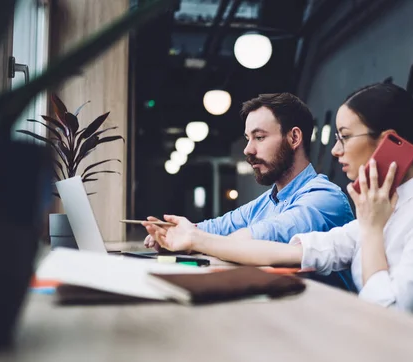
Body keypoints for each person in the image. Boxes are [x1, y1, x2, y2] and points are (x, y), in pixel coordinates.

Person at [144, 83, 413, 331]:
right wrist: (189, 238)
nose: (335, 150)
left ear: (387, 142)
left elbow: (388, 314)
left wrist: (373, 229)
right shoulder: (382, 207)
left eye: (345, 137)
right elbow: (287, 252)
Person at [145, 92, 356, 290]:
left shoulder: (325, 198)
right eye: (248, 138)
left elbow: (257, 240)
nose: (248, 149)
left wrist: (191, 239)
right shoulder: (268, 200)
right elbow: (221, 227)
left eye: (260, 137)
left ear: (294, 138)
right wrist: (175, 233)